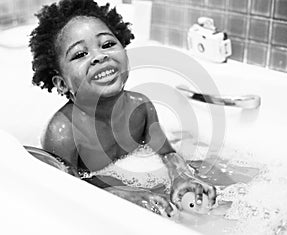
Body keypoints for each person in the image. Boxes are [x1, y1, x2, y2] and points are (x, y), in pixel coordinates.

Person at [29, 0, 216, 217]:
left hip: (140, 178)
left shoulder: (141, 107)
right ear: (62, 83)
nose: (99, 56)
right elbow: (66, 193)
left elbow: (167, 154)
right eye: (80, 54)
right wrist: (119, 193)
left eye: (107, 44)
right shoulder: (63, 132)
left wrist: (182, 175)